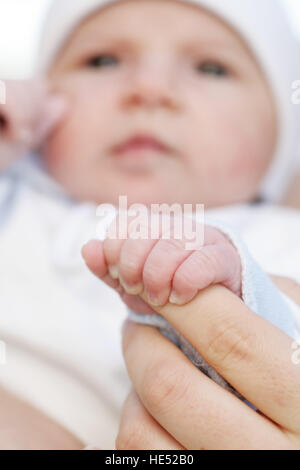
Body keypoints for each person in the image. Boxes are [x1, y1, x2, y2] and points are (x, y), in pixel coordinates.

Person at [0, 0, 299, 449]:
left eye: (212, 68)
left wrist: (243, 287)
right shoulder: (16, 198)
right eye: (102, 61)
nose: (149, 88)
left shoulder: (281, 235)